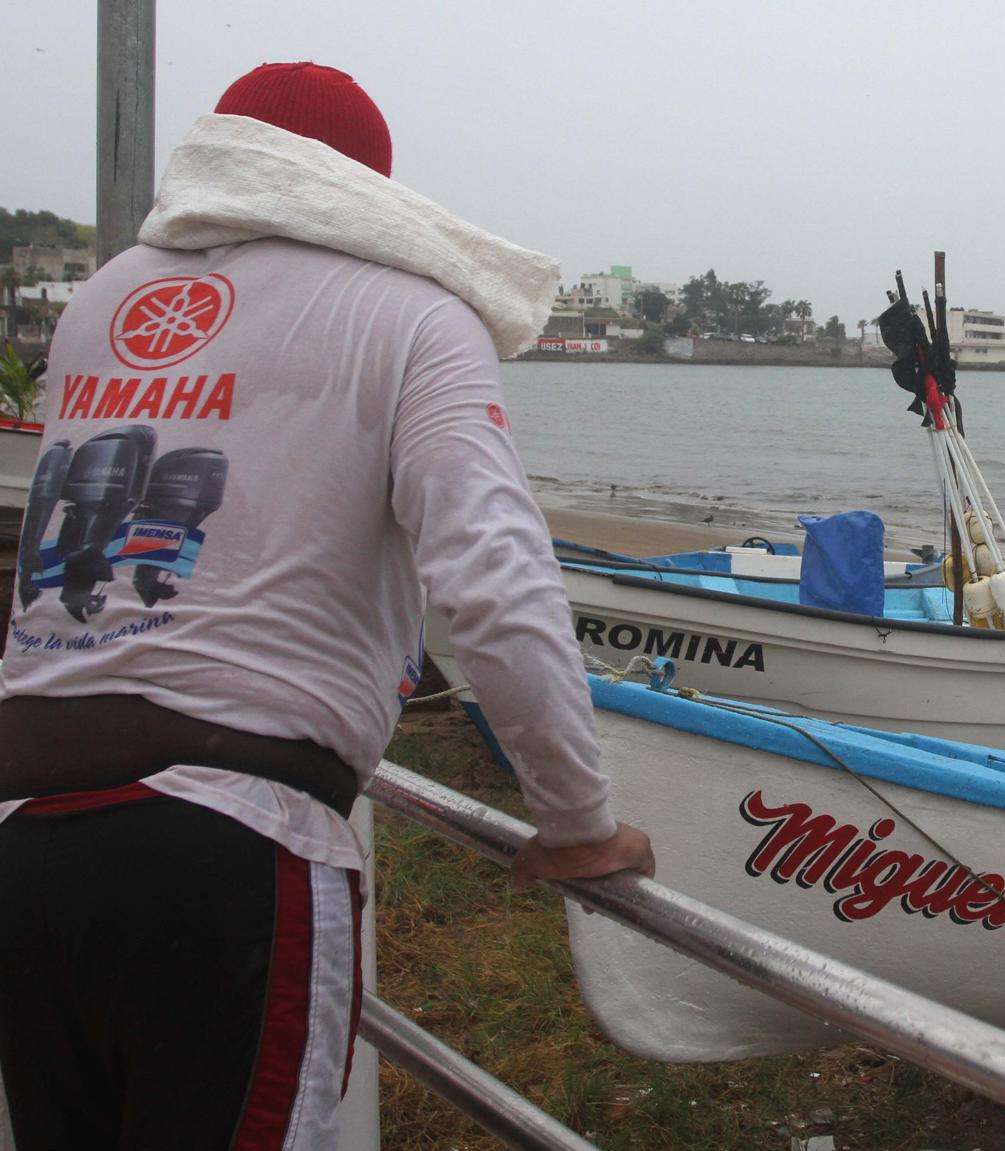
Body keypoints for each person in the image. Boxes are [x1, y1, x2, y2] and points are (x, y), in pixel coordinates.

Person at [0, 64, 654, 1150]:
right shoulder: (411, 311)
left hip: (29, 834)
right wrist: (578, 822)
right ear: (363, 190)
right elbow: (495, 578)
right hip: (230, 847)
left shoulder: (103, 300)